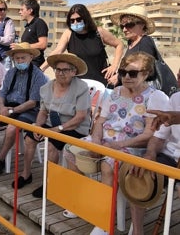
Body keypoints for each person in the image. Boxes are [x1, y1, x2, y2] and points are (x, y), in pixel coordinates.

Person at [63, 52, 169, 234]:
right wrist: (95, 142)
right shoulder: (115, 92)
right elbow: (100, 122)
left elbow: (148, 134)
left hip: (132, 145)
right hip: (104, 140)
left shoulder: (155, 96)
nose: (126, 76)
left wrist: (117, 146)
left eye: (133, 73)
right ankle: (79, 202)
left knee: (108, 165)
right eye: (123, 72)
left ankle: (104, 220)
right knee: (70, 150)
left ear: (146, 73)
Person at [21, 53, 91, 197]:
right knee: (29, 138)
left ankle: (49, 182)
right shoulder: (47, 87)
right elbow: (42, 111)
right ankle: (26, 174)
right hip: (52, 124)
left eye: (65, 70)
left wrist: (57, 129)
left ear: (74, 72)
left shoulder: (81, 87)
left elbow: (81, 117)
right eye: (58, 69)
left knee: (51, 144)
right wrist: (38, 127)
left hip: (74, 127)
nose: (61, 73)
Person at [0, 42, 48, 177]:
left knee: (11, 128)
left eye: (23, 58)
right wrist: (3, 107)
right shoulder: (11, 72)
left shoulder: (38, 75)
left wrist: (11, 111)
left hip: (29, 111)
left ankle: (1, 159)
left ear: (30, 57)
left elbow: (33, 102)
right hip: (8, 106)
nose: (20, 61)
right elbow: (2, 93)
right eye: (17, 58)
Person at [129, 91, 178, 235]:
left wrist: (176, 117)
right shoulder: (176, 98)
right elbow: (158, 137)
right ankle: (137, 232)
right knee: (138, 173)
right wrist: (150, 153)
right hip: (170, 156)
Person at [41, 4, 124, 86]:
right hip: (78, 85)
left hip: (101, 82)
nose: (75, 22)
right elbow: (58, 51)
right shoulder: (68, 34)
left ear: (86, 18)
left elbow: (119, 44)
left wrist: (114, 66)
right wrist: (41, 69)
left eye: (78, 19)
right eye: (72, 20)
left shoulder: (98, 32)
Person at [110, 5, 163, 86]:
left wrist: (119, 77)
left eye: (129, 25)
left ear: (142, 25)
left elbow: (144, 72)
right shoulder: (131, 42)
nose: (124, 29)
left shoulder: (145, 42)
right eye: (122, 26)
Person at [11, 0, 48, 67]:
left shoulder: (39, 23)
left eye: (22, 10)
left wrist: (22, 47)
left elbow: (43, 44)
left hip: (35, 64)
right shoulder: (28, 26)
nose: (19, 12)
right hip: (26, 63)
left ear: (30, 10)